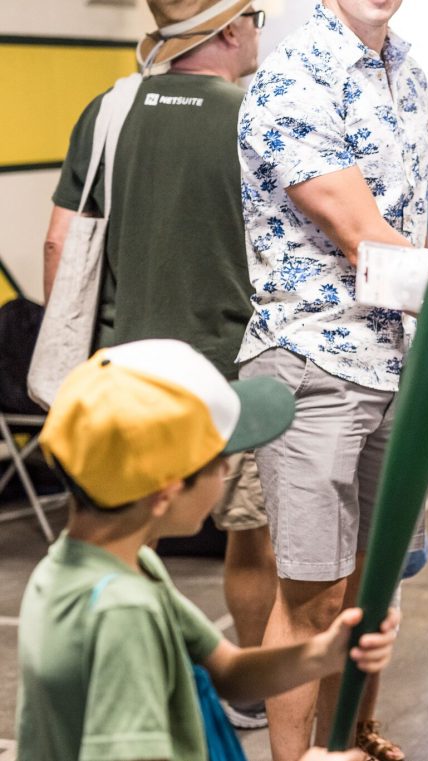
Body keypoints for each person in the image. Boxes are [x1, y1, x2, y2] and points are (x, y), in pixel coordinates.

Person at [43, 0, 276, 729]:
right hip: (232, 367)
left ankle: (103, 665)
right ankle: (244, 692)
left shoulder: (108, 110)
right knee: (251, 537)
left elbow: (60, 244)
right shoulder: (259, 116)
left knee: (123, 532)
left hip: (126, 370)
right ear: (230, 30)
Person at [15, 339, 399, 761]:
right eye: (222, 458)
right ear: (167, 491)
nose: (226, 470)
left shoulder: (104, 565)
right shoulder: (121, 612)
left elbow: (229, 673)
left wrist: (322, 654)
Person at [236, 0, 428, 757]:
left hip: (394, 360)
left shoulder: (407, 70)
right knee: (312, 595)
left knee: (373, 588)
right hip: (314, 358)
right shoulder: (292, 76)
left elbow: (408, 219)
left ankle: (354, 741)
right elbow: (368, 242)